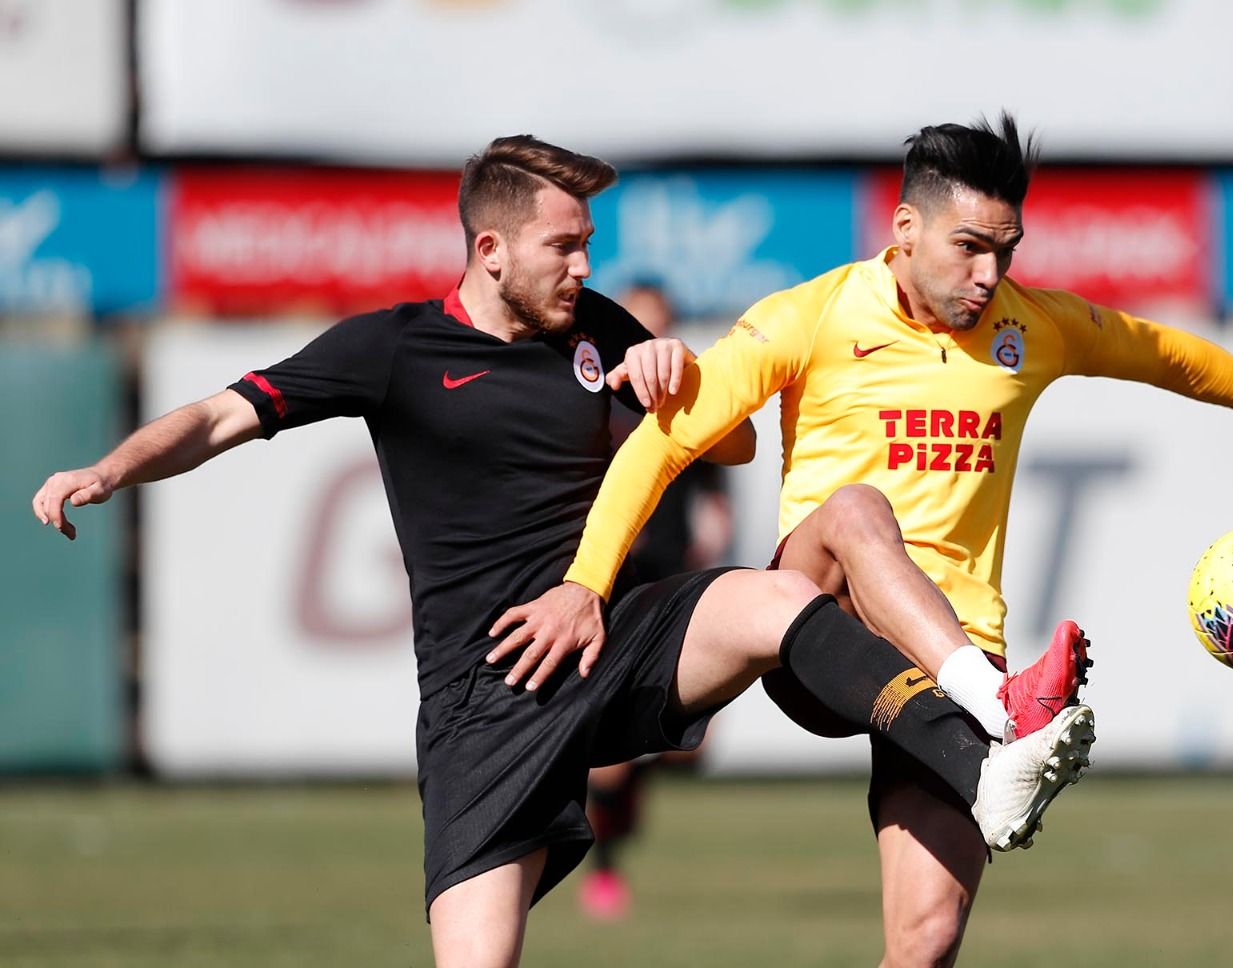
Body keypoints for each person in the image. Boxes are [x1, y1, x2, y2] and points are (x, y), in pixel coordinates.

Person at [30, 134, 1095, 968]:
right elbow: (219, 418)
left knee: (774, 598)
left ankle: (985, 757)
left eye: (588, 243)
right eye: (564, 245)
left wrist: (673, 377)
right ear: (489, 250)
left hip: (614, 637)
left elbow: (725, 439)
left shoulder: (597, 325)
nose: (584, 264)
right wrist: (111, 468)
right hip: (483, 700)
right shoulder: (391, 349)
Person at [532, 113, 1233, 966]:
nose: (990, 273)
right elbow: (664, 440)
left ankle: (992, 712)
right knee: (855, 510)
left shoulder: (1029, 328)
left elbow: (1167, 355)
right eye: (970, 247)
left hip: (951, 641)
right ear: (906, 228)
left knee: (925, 943)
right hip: (820, 622)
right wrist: (585, 583)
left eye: (1007, 250)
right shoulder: (813, 315)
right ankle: (1006, 713)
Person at [580, 279, 735, 920]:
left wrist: (716, 531)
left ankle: (620, 789)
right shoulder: (597, 396)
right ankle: (602, 864)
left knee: (691, 744)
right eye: (637, 324)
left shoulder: (688, 396)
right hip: (613, 576)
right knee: (610, 757)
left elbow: (719, 482)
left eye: (659, 325)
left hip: (674, 572)